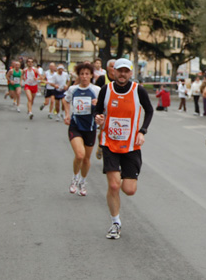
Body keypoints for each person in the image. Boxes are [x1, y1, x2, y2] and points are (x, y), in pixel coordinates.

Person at [94, 58, 154, 239]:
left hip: (131, 146)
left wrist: (142, 131)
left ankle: (118, 187)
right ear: (114, 72)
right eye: (119, 71)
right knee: (113, 185)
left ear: (130, 73)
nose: (122, 74)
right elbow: (98, 111)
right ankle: (115, 223)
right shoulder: (106, 90)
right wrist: (99, 120)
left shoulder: (138, 90)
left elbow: (149, 110)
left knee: (129, 189)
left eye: (126, 71)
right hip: (109, 143)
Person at [62, 63, 101, 197]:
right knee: (79, 154)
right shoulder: (73, 89)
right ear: (78, 75)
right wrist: (67, 114)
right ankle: (74, 178)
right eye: (82, 74)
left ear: (91, 75)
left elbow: (103, 107)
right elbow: (65, 100)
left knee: (86, 159)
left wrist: (98, 105)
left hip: (90, 128)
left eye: (87, 74)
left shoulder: (96, 90)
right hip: (75, 126)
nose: (84, 77)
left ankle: (83, 182)